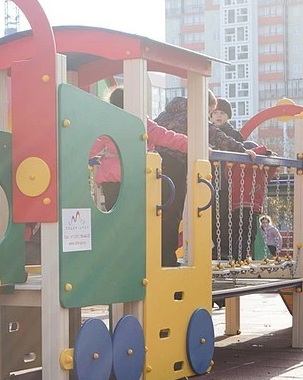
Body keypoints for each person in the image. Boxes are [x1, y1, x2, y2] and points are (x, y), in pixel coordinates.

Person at [154, 93, 255, 267]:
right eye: (209, 112)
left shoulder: (166, 114)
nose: (209, 116)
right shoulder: (194, 115)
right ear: (204, 105)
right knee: (173, 212)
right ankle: (166, 259)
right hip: (175, 165)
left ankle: (153, 255)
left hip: (155, 165)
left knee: (157, 212)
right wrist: (242, 150)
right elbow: (215, 135)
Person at [91, 87, 190, 211]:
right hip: (136, 177)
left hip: (110, 179)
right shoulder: (141, 123)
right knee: (137, 218)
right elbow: (168, 137)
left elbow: (91, 148)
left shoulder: (107, 123)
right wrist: (193, 146)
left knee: (114, 220)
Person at [226, 141, 275, 262]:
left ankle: (239, 257)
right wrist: (262, 149)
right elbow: (246, 160)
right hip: (243, 204)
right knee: (247, 232)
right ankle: (239, 258)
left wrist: (272, 161)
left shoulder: (256, 170)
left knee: (247, 233)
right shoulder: (238, 167)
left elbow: (267, 176)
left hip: (252, 206)